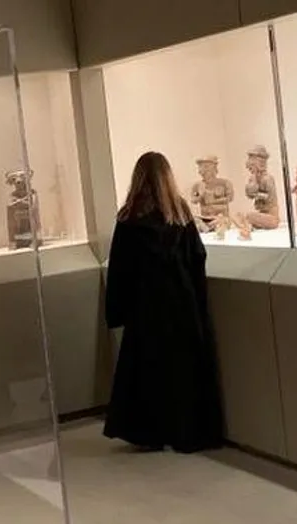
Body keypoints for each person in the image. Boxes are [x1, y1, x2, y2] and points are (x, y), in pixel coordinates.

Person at [104, 151, 224, 453]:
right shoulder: (180, 213)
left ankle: (151, 431)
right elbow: (197, 257)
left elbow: (119, 268)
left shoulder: (130, 217)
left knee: (150, 370)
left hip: (145, 307)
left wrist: (116, 311)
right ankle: (186, 430)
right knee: (183, 369)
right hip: (181, 301)